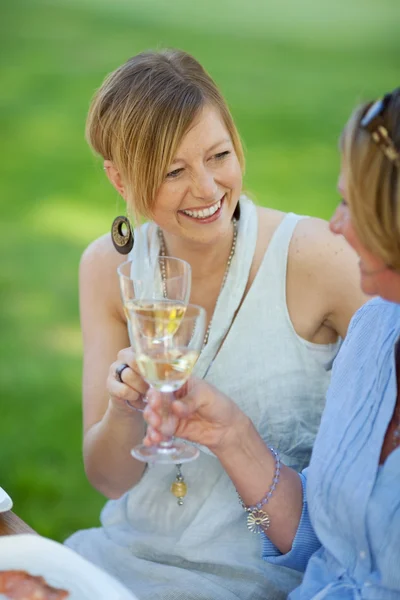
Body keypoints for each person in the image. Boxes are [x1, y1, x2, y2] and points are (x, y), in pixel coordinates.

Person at [65, 49, 366, 600]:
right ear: (119, 177)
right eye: (173, 172)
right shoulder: (106, 269)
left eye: (219, 155)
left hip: (259, 577)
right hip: (123, 560)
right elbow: (109, 480)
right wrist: (123, 409)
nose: (206, 190)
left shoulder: (318, 259)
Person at [144, 89, 400, 598]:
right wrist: (232, 435)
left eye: (352, 206)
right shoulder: (374, 331)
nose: (334, 225)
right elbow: (323, 548)